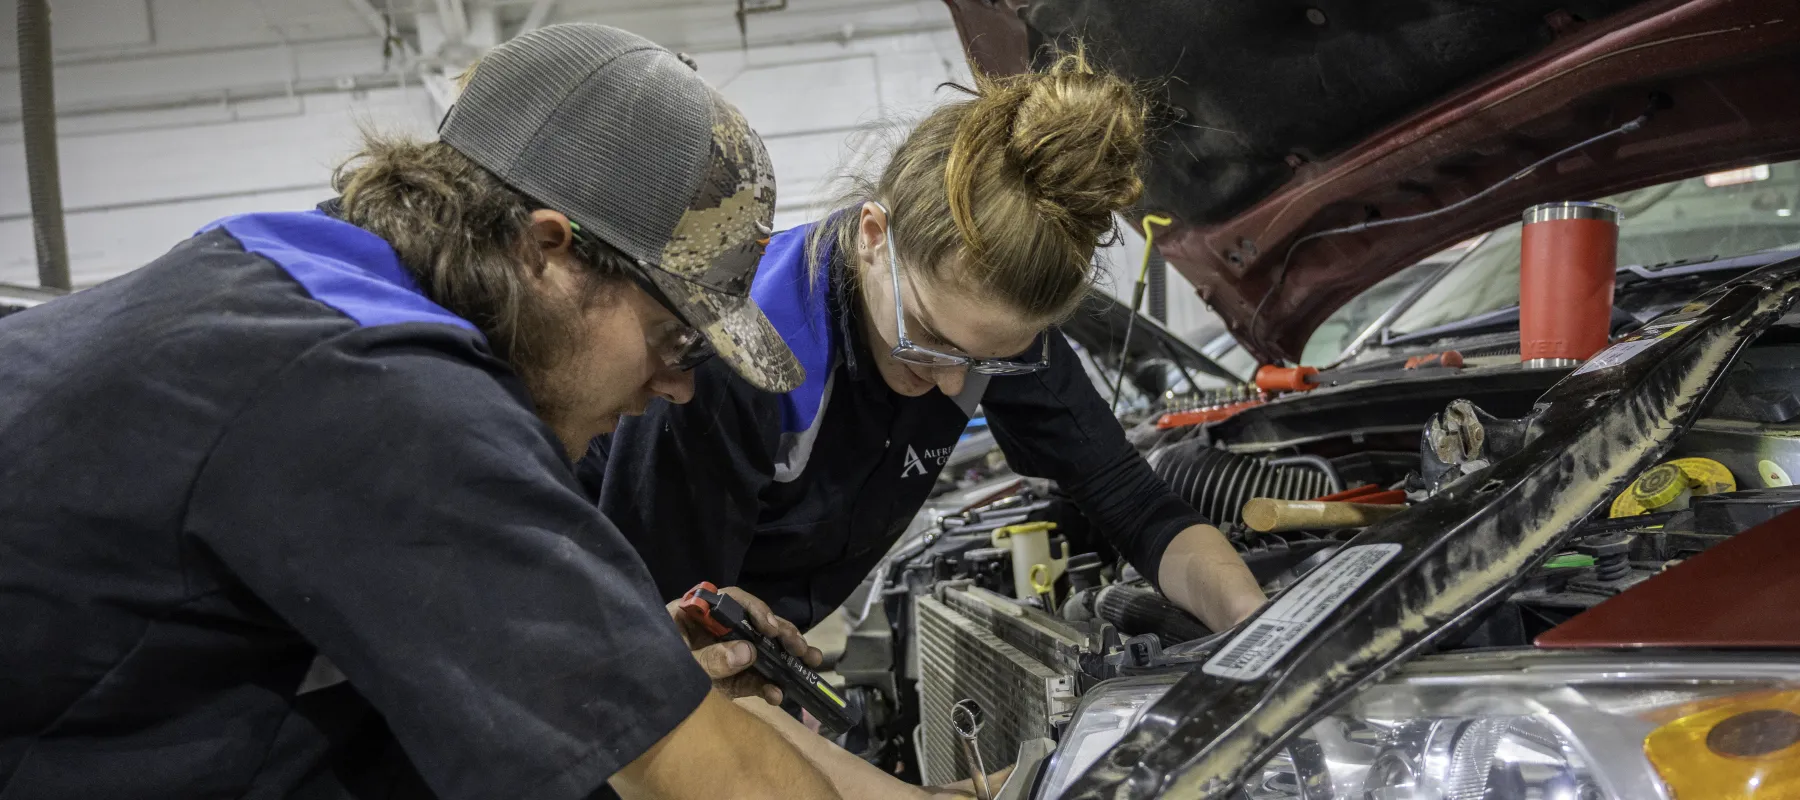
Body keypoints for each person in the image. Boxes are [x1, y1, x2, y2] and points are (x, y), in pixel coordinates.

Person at [0, 24, 851, 800]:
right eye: (672, 338)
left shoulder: (288, 269)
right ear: (549, 251)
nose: (676, 388)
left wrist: (600, 666)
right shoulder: (378, 392)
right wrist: (638, 704)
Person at [587, 49, 1267, 640]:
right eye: (930, 339)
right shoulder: (747, 355)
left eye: (985, 361)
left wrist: (1255, 625)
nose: (952, 385)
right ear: (874, 237)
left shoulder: (992, 333)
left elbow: (1134, 503)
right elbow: (664, 630)